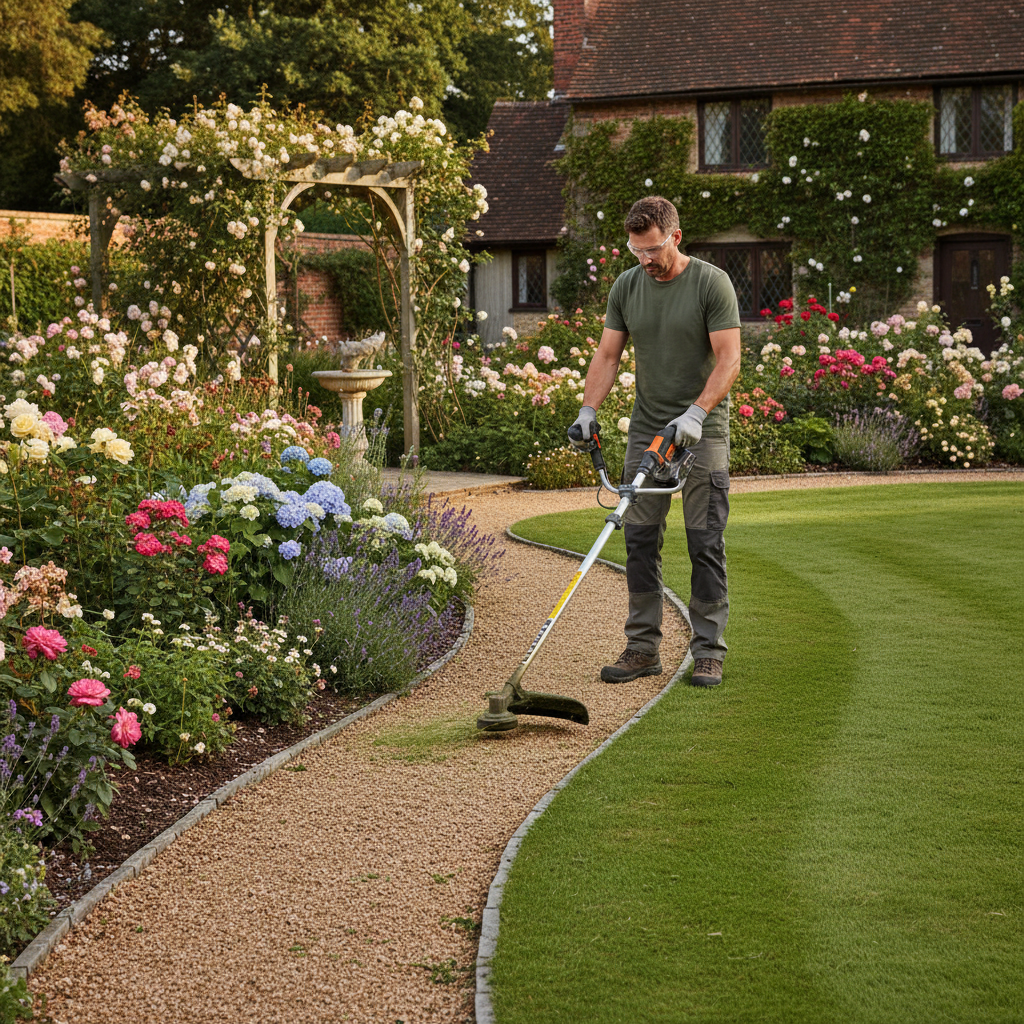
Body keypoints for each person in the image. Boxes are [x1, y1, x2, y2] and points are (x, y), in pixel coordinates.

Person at [569, 196, 741, 687]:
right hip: (647, 429)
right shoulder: (627, 286)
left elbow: (728, 359)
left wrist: (697, 412)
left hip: (700, 431)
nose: (645, 260)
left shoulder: (711, 283)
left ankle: (708, 650)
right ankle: (643, 648)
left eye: (653, 250)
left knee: (704, 540)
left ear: (675, 237)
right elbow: (607, 355)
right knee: (639, 539)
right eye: (636, 250)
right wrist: (588, 410)